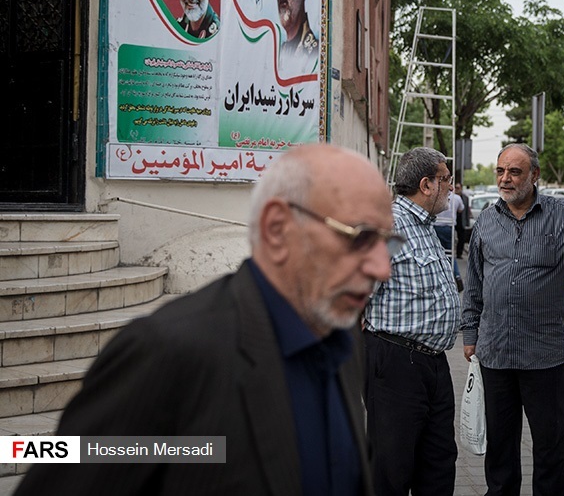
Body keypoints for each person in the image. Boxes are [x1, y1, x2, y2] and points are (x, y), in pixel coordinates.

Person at [14, 144, 398, 496]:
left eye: (388, 243)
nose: (382, 268)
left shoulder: (344, 343)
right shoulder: (167, 352)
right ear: (278, 229)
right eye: (360, 237)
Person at [462, 143, 564, 496]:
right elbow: (474, 283)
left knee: (550, 445)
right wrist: (469, 332)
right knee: (500, 445)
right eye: (500, 171)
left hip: (545, 355)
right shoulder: (487, 221)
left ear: (534, 176)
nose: (505, 179)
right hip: (495, 353)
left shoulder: (563, 217)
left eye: (515, 172)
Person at [363, 147, 461, 495]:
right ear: (427, 185)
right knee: (392, 467)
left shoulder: (424, 227)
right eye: (446, 180)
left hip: (433, 365)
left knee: (438, 462)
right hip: (396, 365)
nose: (452, 187)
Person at [454, 182, 472, 258]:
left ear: (461, 188)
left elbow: (467, 210)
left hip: (461, 220)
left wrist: (467, 222)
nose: (457, 190)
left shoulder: (465, 198)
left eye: (458, 188)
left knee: (461, 238)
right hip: (453, 220)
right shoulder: (451, 197)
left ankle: (459, 253)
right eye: (456, 188)